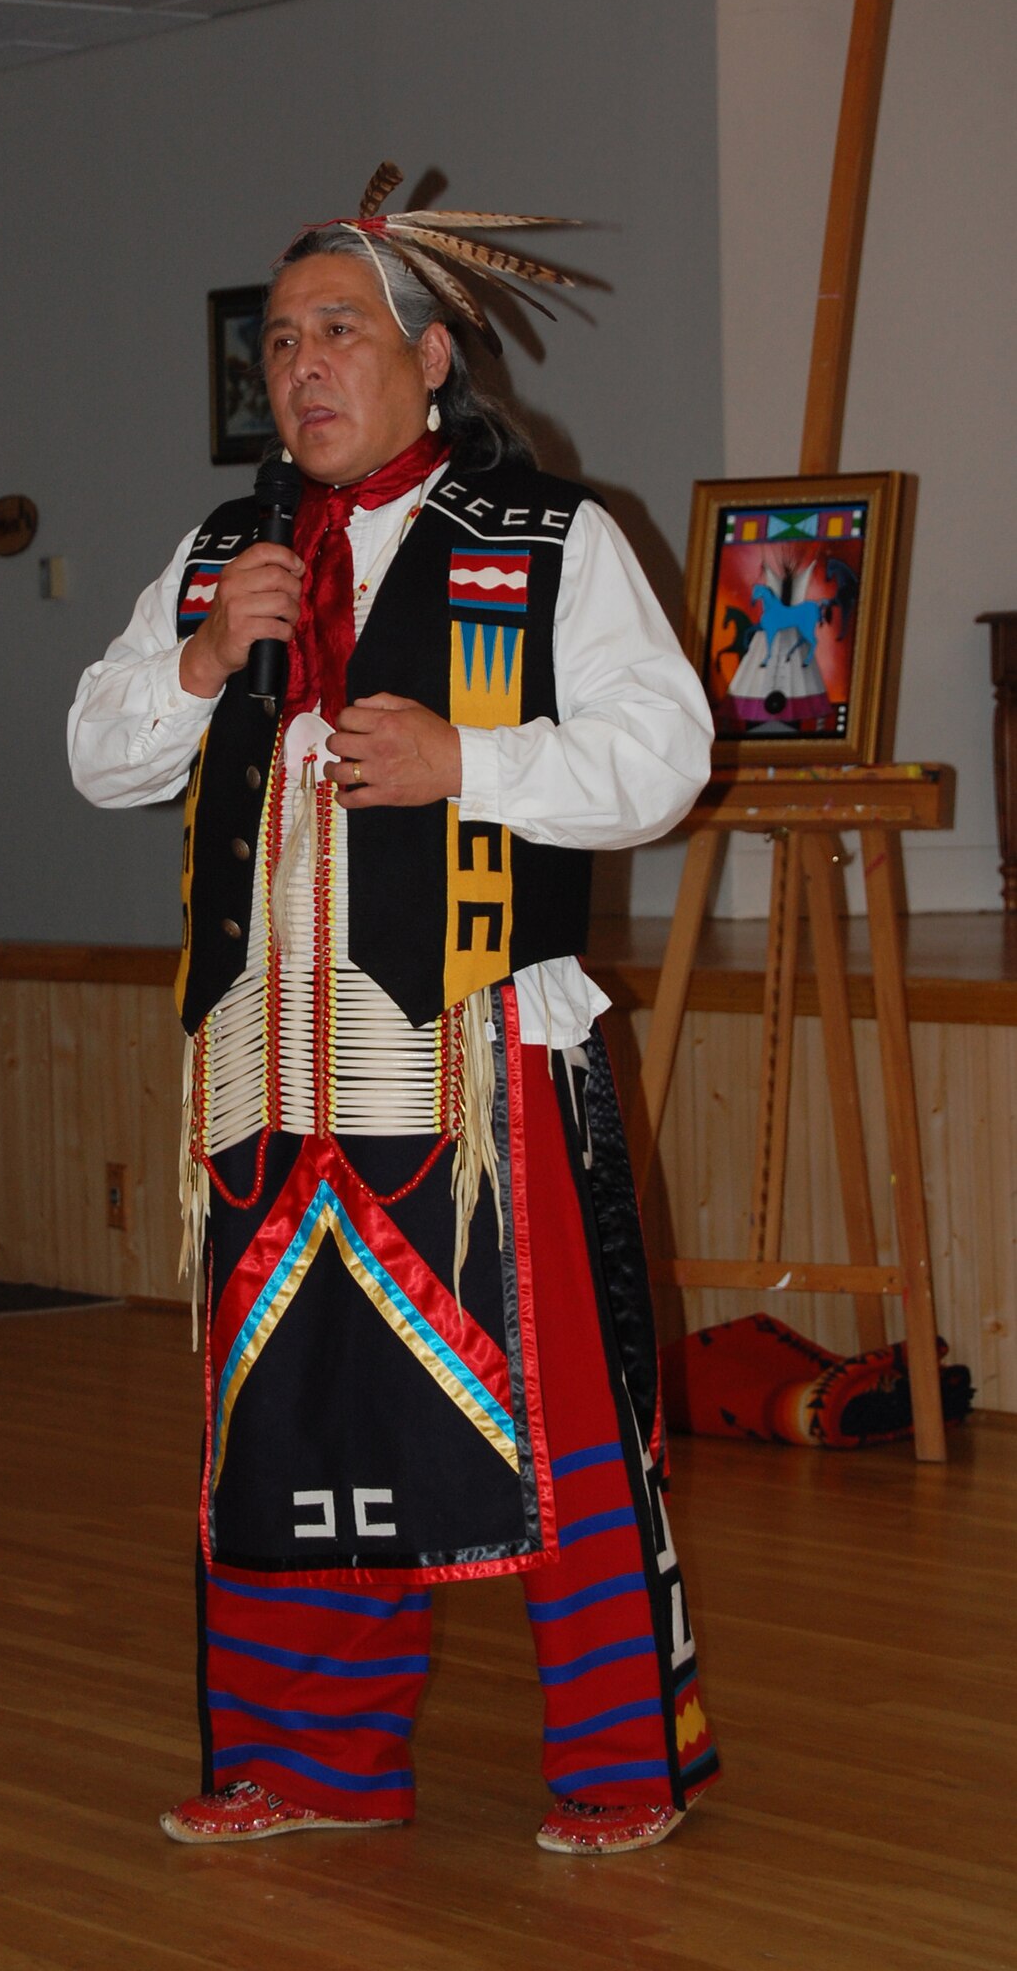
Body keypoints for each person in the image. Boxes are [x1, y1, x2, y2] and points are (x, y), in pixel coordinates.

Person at [68, 165, 719, 1857]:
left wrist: (468, 762)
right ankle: (306, 1762)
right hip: (262, 1065)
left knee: (556, 1420)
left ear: (432, 359)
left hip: (478, 1059)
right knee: (288, 1416)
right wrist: (205, 663)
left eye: (338, 331)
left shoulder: (552, 539)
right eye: (281, 339)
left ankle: (617, 1768)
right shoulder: (220, 554)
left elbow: (666, 759)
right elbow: (101, 751)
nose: (303, 365)